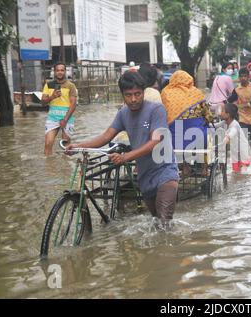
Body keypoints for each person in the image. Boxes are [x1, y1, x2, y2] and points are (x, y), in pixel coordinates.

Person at [66, 71, 179, 229]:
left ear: (143, 92)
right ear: (122, 95)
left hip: (165, 171)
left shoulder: (156, 109)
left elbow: (155, 141)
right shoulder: (123, 113)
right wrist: (78, 146)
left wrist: (126, 157)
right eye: (128, 95)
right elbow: (106, 136)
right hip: (145, 176)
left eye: (137, 94)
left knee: (165, 222)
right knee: (156, 223)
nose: (133, 99)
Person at [161, 70, 214, 150]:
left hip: (174, 142)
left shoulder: (165, 93)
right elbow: (208, 116)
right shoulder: (196, 92)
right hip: (199, 139)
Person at [42, 62, 78, 156]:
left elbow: (73, 104)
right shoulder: (49, 84)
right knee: (48, 144)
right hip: (52, 118)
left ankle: (65, 169)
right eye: (57, 70)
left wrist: (65, 120)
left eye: (62, 70)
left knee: (66, 147)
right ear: (54, 72)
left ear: (65, 71)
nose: (60, 72)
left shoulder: (71, 86)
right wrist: (52, 97)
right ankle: (49, 168)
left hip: (67, 118)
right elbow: (43, 101)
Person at [227, 67, 251, 149]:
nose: (243, 78)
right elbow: (230, 100)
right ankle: (245, 158)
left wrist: (240, 105)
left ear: (248, 77)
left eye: (245, 76)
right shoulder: (237, 89)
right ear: (239, 77)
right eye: (241, 76)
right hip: (243, 118)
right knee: (242, 140)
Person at [221, 103, 251, 173]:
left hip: (242, 151)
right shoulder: (225, 122)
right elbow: (215, 126)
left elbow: (233, 132)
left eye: (222, 111)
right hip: (235, 151)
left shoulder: (235, 124)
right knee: (236, 173)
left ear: (228, 114)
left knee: (243, 174)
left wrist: (227, 137)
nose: (221, 113)